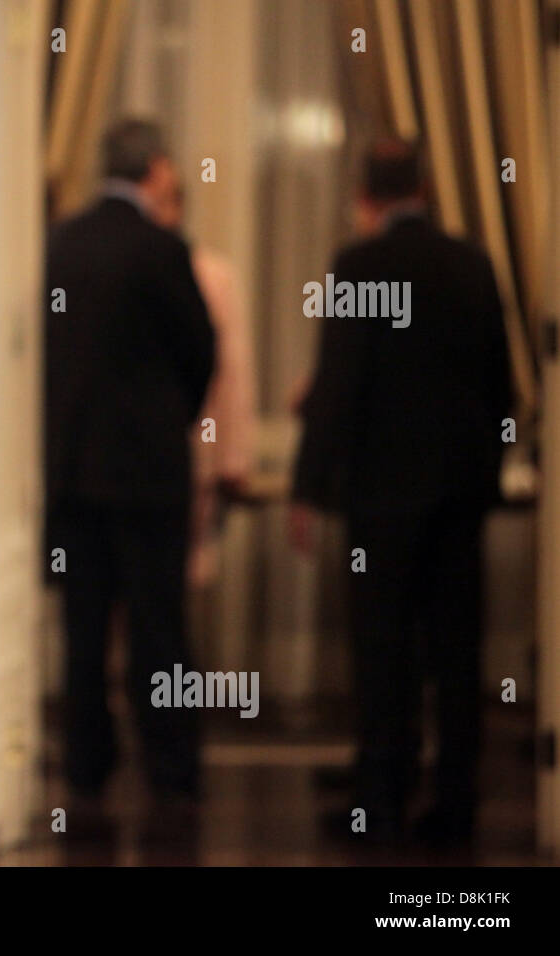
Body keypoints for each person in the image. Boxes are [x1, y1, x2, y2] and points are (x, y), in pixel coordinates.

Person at [290, 140, 513, 848]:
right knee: (456, 655)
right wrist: (489, 468)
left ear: (366, 195)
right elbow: (501, 385)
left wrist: (307, 489)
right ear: (425, 186)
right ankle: (456, 804)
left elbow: (338, 389)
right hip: (458, 492)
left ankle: (379, 802)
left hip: (381, 498)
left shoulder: (359, 266)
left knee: (382, 651)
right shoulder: (473, 265)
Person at [44, 119, 215, 821]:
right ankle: (169, 764)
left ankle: (87, 763)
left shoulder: (62, 244)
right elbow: (199, 351)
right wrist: (170, 419)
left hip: (74, 467)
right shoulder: (163, 248)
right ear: (156, 170)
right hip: (148, 474)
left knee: (83, 628)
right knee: (158, 626)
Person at [151, 180, 258, 587]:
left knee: (176, 582)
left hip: (196, 450)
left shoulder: (210, 274)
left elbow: (232, 370)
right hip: (142, 456)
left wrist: (234, 456)